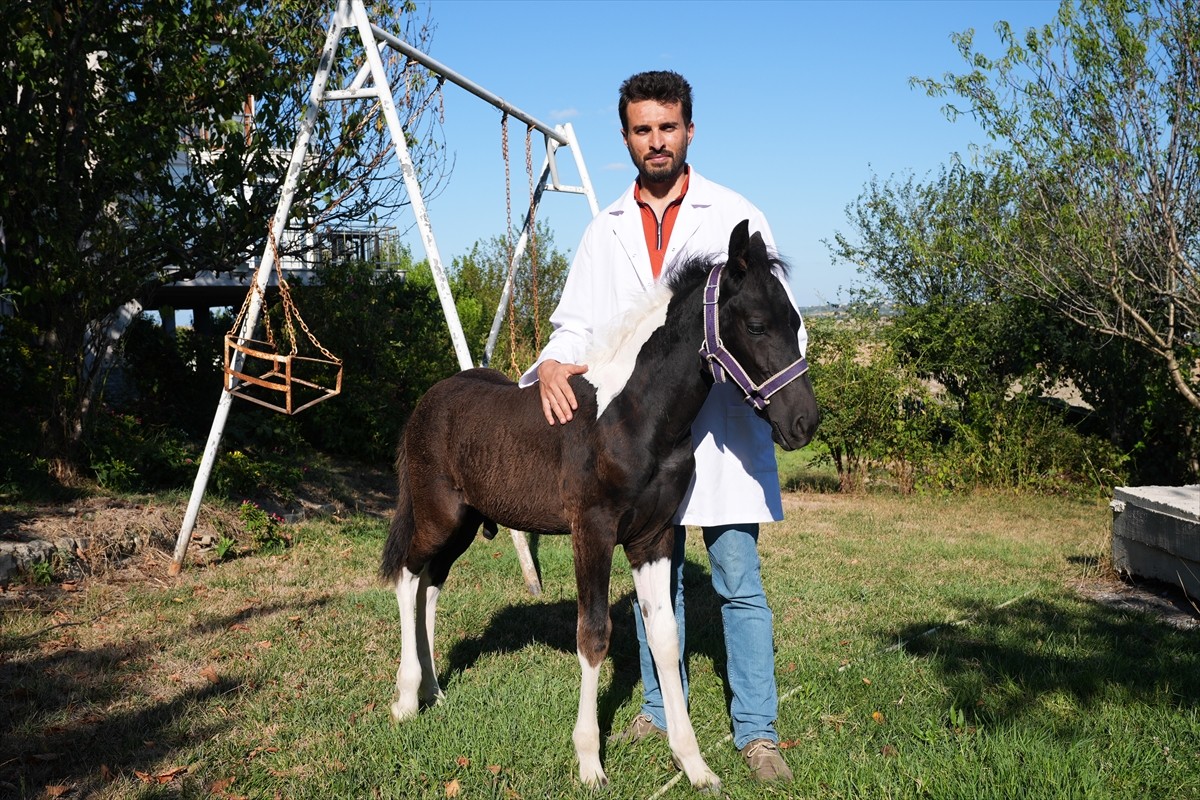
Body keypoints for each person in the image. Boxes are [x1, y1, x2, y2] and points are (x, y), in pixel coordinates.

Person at [518, 70, 805, 782]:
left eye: (668, 127)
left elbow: (778, 321)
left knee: (736, 576)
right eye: (643, 129)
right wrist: (551, 362)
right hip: (643, 443)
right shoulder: (604, 229)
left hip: (725, 430)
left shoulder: (736, 215)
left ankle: (757, 731)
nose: (656, 141)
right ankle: (654, 706)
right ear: (626, 138)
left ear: (689, 131)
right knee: (656, 575)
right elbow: (576, 323)